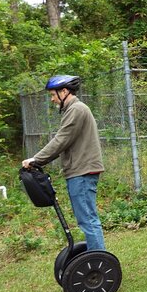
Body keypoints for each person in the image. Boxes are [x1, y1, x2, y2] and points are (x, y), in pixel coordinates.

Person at [22, 75, 106, 250]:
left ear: (64, 91)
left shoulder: (76, 109)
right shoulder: (73, 109)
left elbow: (61, 140)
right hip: (79, 170)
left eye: (53, 95)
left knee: (88, 221)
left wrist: (36, 160)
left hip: (82, 171)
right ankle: (97, 258)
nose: (52, 99)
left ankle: (100, 264)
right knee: (87, 219)